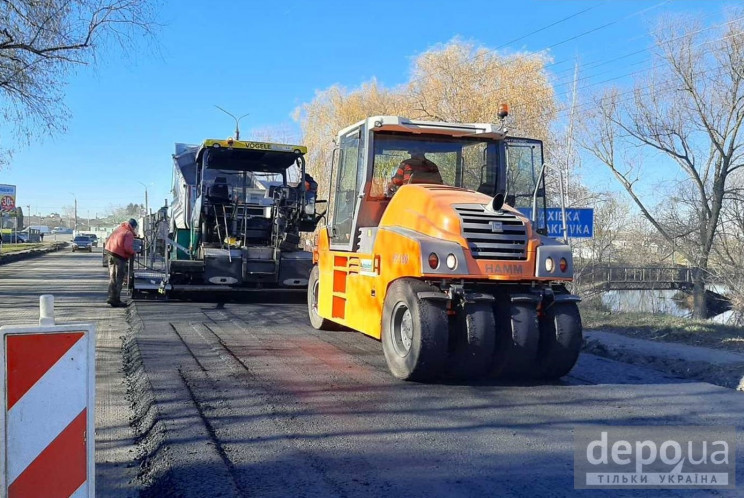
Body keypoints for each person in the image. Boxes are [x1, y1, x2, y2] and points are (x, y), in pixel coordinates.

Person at [104, 218, 137, 307]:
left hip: (110, 254)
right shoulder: (128, 233)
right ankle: (116, 300)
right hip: (119, 257)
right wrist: (133, 253)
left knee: (112, 277)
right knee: (119, 278)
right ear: (133, 227)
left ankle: (111, 297)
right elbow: (127, 248)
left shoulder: (118, 229)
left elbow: (107, 241)